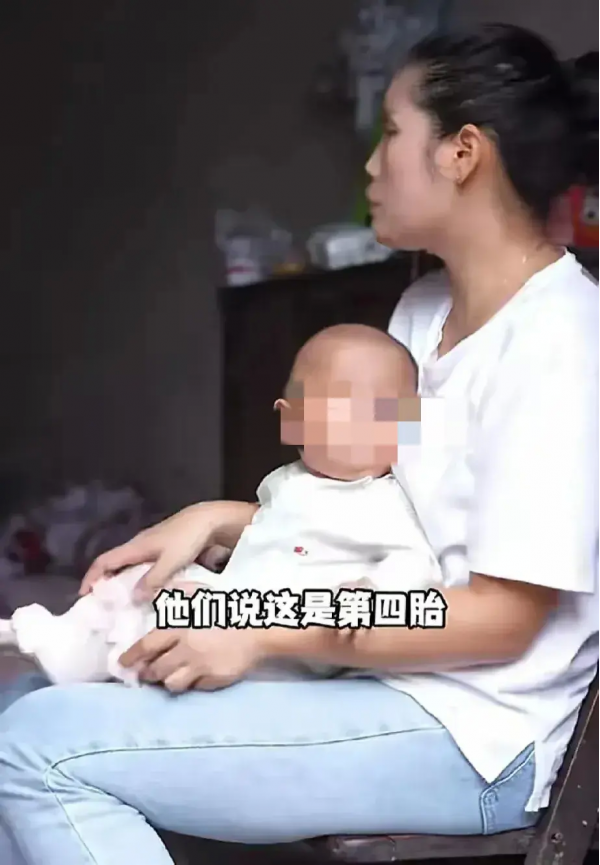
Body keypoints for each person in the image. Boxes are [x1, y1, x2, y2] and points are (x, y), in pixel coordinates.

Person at [0, 22, 597, 865]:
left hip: (473, 728)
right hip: (372, 675)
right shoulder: (422, 315)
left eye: (391, 133)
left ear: (463, 152)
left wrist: (263, 629)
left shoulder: (560, 342)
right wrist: (216, 518)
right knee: (24, 698)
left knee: (35, 748)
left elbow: (499, 620)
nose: (371, 164)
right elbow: (390, 518)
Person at [0, 326, 440, 687]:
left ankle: (95, 661)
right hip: (237, 603)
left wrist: (372, 594)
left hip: (296, 641)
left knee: (168, 625)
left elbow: (416, 563)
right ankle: (63, 640)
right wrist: (219, 555)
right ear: (293, 419)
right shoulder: (286, 483)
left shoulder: (384, 500)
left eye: (388, 413)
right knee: (143, 584)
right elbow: (269, 533)